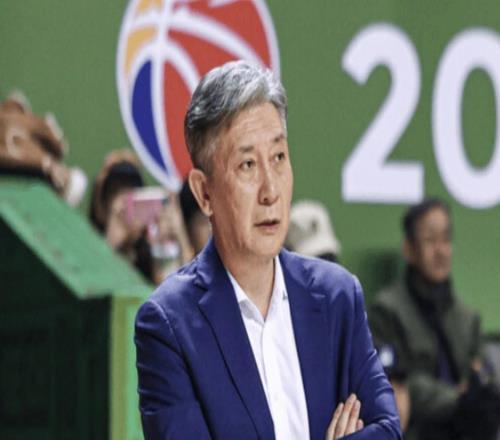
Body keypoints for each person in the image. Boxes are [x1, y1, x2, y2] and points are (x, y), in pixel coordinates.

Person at [134, 60, 401, 440]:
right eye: (247, 165)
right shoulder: (169, 324)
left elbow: (387, 430)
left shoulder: (338, 297)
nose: (271, 191)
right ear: (204, 193)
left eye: (278, 158)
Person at [369, 198, 500, 440]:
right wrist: (459, 399)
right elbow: (398, 386)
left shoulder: (467, 318)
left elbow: (483, 377)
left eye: (446, 239)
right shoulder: (386, 311)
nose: (440, 251)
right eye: (430, 240)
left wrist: (477, 394)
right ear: (409, 249)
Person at [89, 149, 194, 284]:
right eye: (115, 193)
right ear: (103, 208)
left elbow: (179, 290)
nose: (125, 204)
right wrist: (113, 240)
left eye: (132, 195)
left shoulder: (149, 255)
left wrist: (179, 236)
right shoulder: (87, 246)